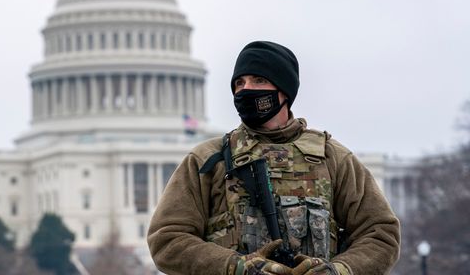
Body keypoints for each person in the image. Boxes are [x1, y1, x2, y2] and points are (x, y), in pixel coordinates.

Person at [147, 41, 400, 275]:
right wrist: (235, 267)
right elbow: (167, 239)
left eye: (258, 81)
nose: (246, 90)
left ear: (284, 91)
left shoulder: (333, 158)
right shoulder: (207, 159)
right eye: (239, 83)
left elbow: (381, 233)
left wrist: (340, 270)